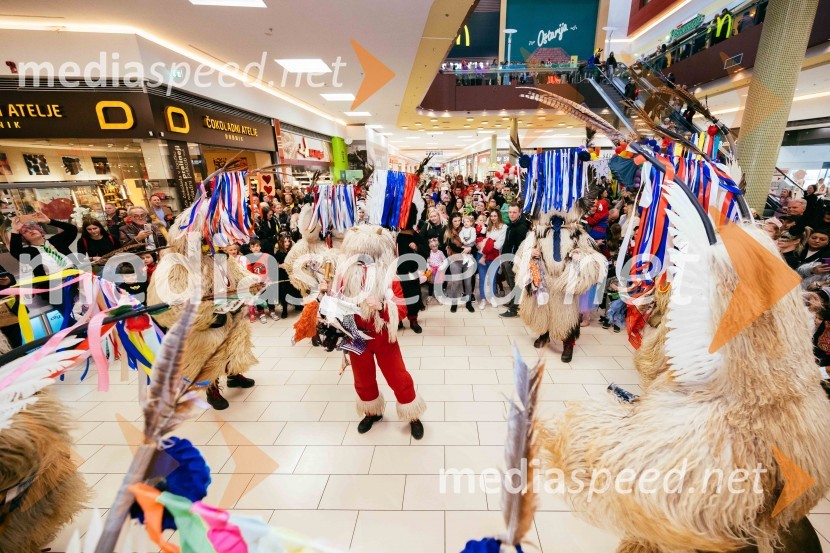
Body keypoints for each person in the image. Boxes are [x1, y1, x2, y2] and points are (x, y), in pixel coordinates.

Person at [324, 225, 426, 439]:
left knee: (399, 377)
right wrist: (325, 295)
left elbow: (402, 309)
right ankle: (372, 412)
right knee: (362, 379)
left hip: (382, 336)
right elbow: (332, 309)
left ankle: (412, 414)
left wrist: (382, 306)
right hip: (354, 334)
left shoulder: (390, 278)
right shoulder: (342, 277)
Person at [9, 212, 78, 278]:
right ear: (23, 238)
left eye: (32, 228)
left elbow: (72, 230)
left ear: (39, 230)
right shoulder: (29, 252)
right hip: (53, 283)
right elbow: (15, 251)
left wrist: (49, 221)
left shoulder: (56, 241)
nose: (30, 231)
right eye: (25, 231)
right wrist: (16, 230)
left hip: (74, 274)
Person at [396, 204, 426, 333]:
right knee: (396, 296)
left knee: (412, 295)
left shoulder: (413, 234)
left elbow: (426, 249)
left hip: (411, 271)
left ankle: (413, 320)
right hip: (395, 272)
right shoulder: (392, 233)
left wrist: (416, 248)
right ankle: (398, 320)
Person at [499, 204, 530, 318]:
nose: (511, 214)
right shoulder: (511, 225)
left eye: (514, 212)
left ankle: (515, 309)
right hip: (506, 258)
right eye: (510, 212)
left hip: (513, 261)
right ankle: (513, 302)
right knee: (510, 282)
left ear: (519, 212)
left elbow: (519, 247)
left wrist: (513, 262)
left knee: (515, 284)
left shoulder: (521, 227)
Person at [444, 214, 475, 313]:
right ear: (451, 222)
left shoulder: (466, 228)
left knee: (468, 281)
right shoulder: (448, 232)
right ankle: (454, 303)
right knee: (455, 282)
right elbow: (453, 247)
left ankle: (468, 303)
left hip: (467, 258)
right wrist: (467, 249)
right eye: (455, 221)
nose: (457, 223)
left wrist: (471, 248)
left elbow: (473, 242)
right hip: (455, 258)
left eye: (459, 220)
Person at [477, 209, 506, 309]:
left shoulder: (504, 227)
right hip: (481, 255)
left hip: (494, 256)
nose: (493, 218)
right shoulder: (488, 226)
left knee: (492, 278)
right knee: (482, 278)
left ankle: (492, 297)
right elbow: (479, 239)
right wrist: (489, 242)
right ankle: (483, 299)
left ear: (499, 216)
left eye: (495, 216)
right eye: (492, 216)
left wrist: (487, 242)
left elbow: (498, 245)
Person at [245, 238, 279, 322]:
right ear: (250, 248)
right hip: (257, 283)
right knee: (259, 298)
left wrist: (270, 277)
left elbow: (271, 267)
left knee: (270, 296)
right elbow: (249, 270)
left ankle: (272, 311)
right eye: (253, 247)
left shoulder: (266, 256)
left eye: (257, 246)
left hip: (268, 280)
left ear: (260, 247)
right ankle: (261, 313)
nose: (255, 248)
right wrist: (254, 280)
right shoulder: (249, 258)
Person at [274, 233, 300, 319]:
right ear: (281, 242)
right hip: (282, 275)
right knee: (283, 292)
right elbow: (273, 264)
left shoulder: (292, 252)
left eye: (288, 241)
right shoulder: (278, 253)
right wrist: (279, 266)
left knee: (295, 289)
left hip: (291, 274)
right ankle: (284, 309)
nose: (287, 243)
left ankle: (297, 305)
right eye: (285, 241)